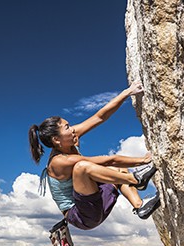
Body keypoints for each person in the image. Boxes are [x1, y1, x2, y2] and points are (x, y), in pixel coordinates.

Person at [28, 82, 160, 231]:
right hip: (82, 216)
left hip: (95, 201)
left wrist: (127, 92)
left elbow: (100, 117)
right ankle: (136, 180)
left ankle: (140, 206)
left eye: (70, 125)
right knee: (82, 168)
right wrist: (143, 160)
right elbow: (109, 160)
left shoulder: (70, 138)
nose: (72, 129)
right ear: (56, 140)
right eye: (67, 127)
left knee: (118, 170)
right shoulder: (59, 162)